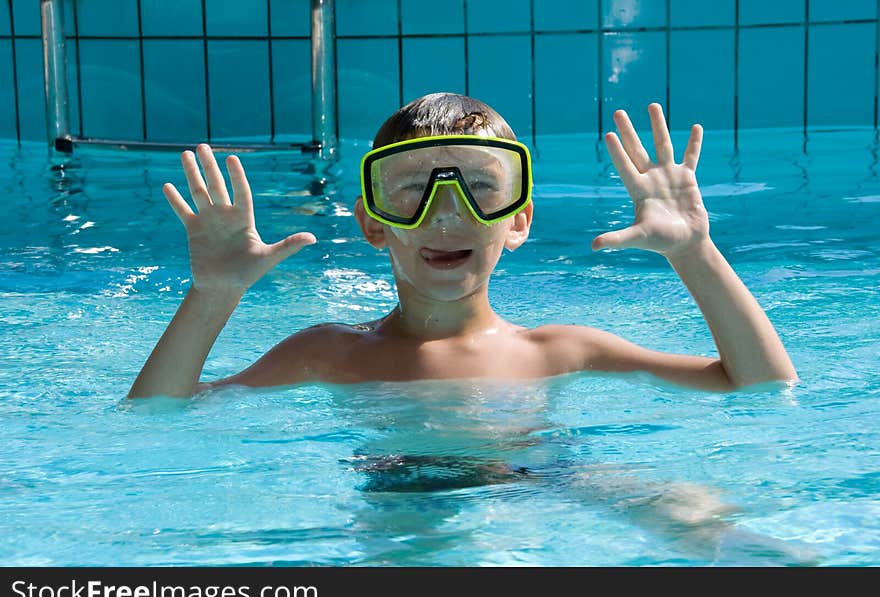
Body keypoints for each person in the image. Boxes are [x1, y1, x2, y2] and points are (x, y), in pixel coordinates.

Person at [127, 92, 798, 400]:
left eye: (481, 188)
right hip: (390, 524)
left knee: (688, 511)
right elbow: (157, 414)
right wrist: (213, 294)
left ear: (518, 220)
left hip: (536, 493)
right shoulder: (325, 351)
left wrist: (695, 254)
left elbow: (765, 385)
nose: (447, 215)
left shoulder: (560, 351)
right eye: (412, 190)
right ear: (373, 223)